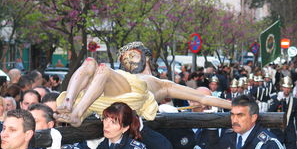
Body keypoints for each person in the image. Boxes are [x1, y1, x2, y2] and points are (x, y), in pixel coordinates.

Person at [56, 41, 231, 127]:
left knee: (102, 68)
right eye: (125, 60)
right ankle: (69, 103)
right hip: (111, 92)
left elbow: (202, 98)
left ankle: (77, 114)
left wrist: (235, 106)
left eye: (132, 56)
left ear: (145, 56)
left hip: (136, 95)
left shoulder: (163, 84)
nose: (129, 62)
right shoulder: (121, 75)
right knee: (89, 62)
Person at [269, 76, 297, 149]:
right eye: (285, 87)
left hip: (290, 133)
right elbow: (270, 112)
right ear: (281, 87)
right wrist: (278, 100)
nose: (286, 90)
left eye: (288, 88)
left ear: (291, 89)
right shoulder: (275, 98)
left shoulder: (295, 101)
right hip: (276, 132)